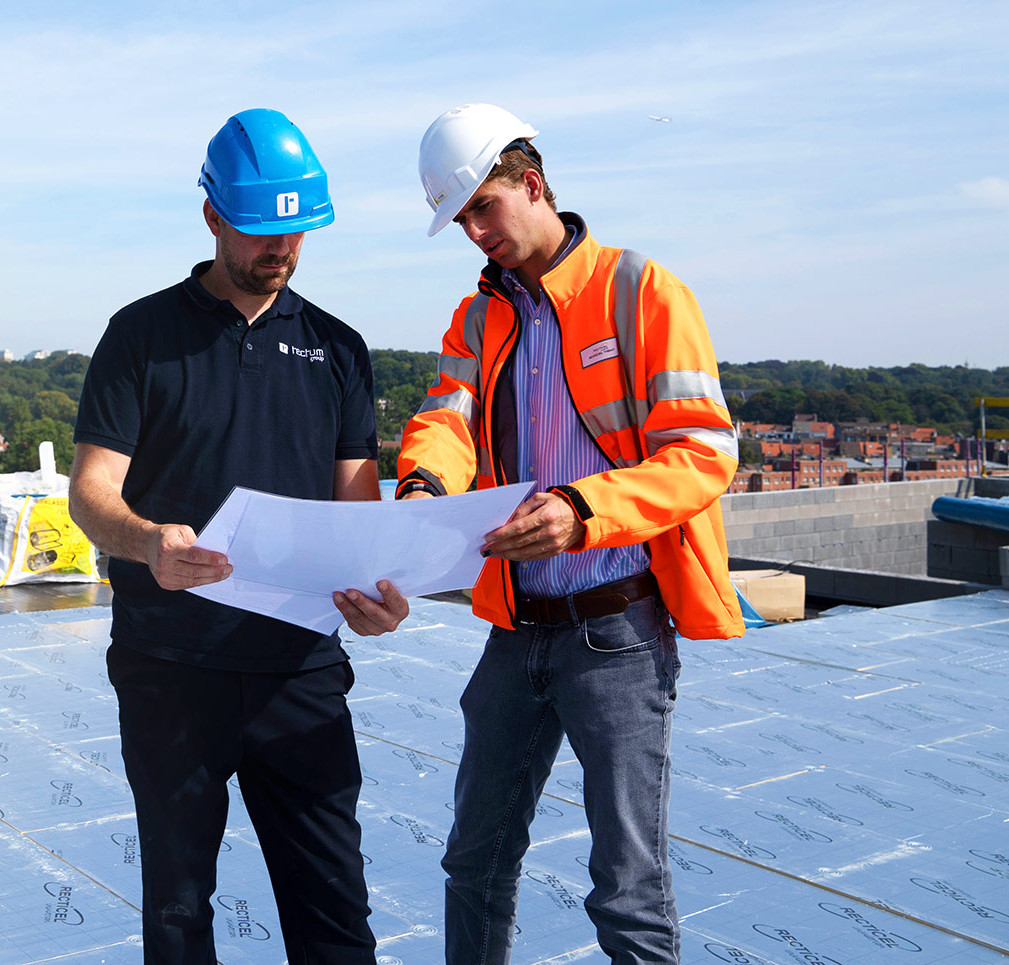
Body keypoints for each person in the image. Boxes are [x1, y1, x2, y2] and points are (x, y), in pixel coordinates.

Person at [338, 103, 743, 964]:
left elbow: (704, 455)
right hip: (517, 632)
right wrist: (422, 484)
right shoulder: (480, 318)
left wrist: (583, 510)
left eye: (485, 207)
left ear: (532, 182)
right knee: (473, 862)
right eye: (460, 220)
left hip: (620, 633)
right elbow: (445, 418)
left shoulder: (642, 292)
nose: (475, 231)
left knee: (628, 887)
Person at [70, 108, 407, 965]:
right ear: (214, 215)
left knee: (335, 913)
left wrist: (378, 591)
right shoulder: (141, 336)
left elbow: (356, 511)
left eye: (297, 230)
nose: (282, 250)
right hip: (171, 669)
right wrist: (147, 542)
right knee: (180, 913)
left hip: (301, 669)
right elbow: (91, 492)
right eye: (263, 229)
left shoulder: (339, 350)